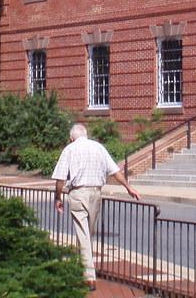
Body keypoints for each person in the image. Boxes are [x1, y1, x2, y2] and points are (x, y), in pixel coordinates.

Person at [52, 123, 140, 290]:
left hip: (78, 193)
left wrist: (57, 197)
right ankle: (86, 272)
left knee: (84, 235)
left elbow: (60, 178)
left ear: (72, 138)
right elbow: (115, 170)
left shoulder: (69, 149)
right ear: (85, 135)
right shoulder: (98, 147)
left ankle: (86, 275)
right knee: (87, 234)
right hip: (96, 193)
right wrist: (128, 187)